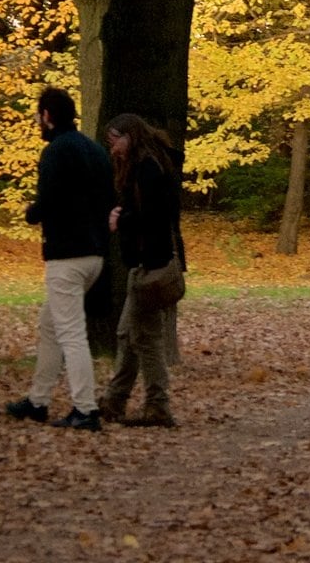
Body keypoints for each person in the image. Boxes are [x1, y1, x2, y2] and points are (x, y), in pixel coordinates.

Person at [5, 86, 115, 431]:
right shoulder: (95, 151)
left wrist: (31, 213)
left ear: (48, 117)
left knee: (70, 333)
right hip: (94, 253)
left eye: (39, 116)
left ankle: (86, 408)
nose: (38, 121)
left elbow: (50, 199)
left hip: (67, 254)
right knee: (50, 325)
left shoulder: (56, 152)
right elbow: (108, 197)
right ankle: (38, 401)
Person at [102, 113, 184, 427]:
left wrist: (119, 220)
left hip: (151, 266)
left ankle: (158, 405)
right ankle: (115, 400)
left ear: (130, 136)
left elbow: (152, 216)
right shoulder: (152, 164)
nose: (114, 150)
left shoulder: (149, 168)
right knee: (127, 334)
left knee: (146, 338)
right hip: (146, 264)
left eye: (116, 142)